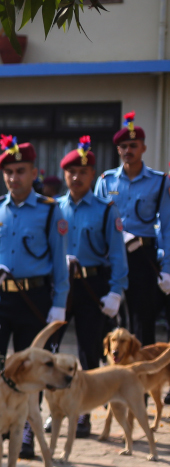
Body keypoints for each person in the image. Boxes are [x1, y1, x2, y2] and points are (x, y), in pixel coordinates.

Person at [0, 134, 69, 459]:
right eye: (8, 172)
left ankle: (29, 429)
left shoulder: (50, 211)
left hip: (35, 300)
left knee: (36, 368)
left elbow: (60, 262)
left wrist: (59, 305)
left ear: (34, 173)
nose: (13, 178)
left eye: (20, 171)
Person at [54, 135, 126, 437]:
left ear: (92, 175)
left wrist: (115, 291)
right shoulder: (53, 208)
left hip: (92, 284)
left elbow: (118, 255)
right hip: (60, 284)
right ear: (64, 174)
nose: (76, 176)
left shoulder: (106, 209)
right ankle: (55, 408)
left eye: (83, 172)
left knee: (88, 350)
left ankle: (82, 414)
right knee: (52, 349)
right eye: (71, 171)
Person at [96, 111, 168, 348]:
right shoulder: (106, 181)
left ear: (143, 148)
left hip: (142, 256)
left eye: (133, 145)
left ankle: (141, 379)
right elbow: (97, 221)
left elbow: (166, 226)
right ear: (118, 150)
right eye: (123, 146)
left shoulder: (159, 182)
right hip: (110, 257)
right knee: (108, 317)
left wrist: (167, 267)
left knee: (142, 320)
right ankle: (109, 374)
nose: (128, 150)